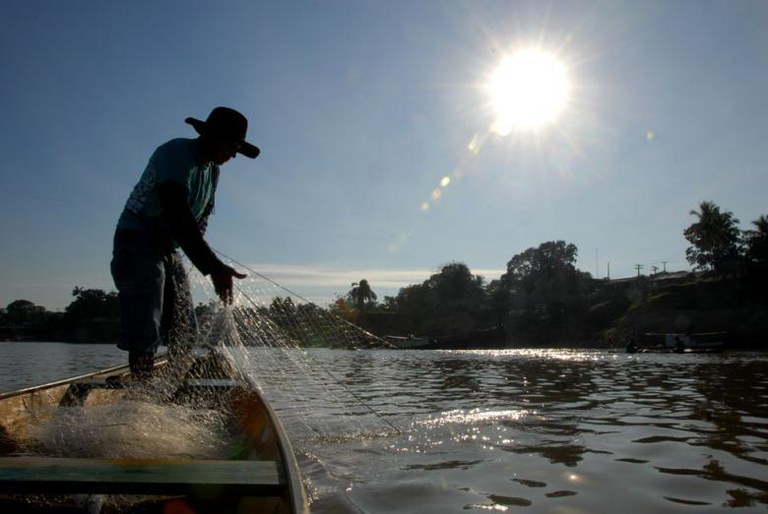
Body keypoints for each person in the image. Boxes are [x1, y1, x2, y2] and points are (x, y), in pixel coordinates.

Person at [111, 106, 258, 379]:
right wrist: (213, 266)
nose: (233, 155)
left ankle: (173, 384)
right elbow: (176, 213)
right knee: (146, 323)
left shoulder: (213, 171)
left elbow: (199, 221)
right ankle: (142, 391)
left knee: (185, 329)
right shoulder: (177, 153)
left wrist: (207, 261)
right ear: (212, 137)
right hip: (137, 240)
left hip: (169, 248)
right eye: (232, 146)